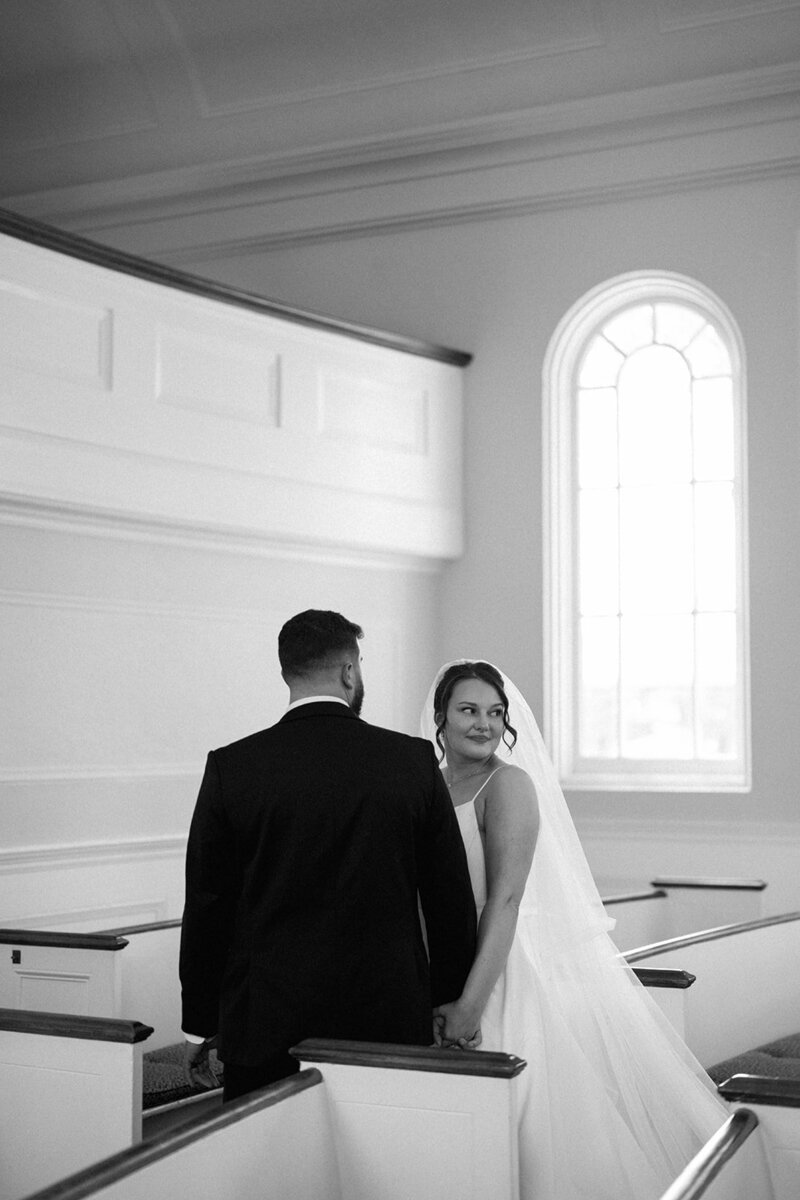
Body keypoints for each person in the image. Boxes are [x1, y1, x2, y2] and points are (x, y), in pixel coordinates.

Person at [421, 659, 729, 1200]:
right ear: (441, 718)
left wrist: (472, 1002)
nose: (483, 724)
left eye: (495, 713)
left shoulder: (508, 784)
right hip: (430, 969)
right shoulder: (427, 785)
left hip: (491, 974)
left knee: (515, 1129)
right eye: (468, 710)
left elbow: (506, 900)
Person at [179, 610, 477, 1102]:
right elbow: (449, 894)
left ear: (285, 673)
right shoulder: (411, 760)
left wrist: (200, 1023)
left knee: (272, 1170)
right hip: (386, 1020)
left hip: (267, 1023)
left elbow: (209, 903)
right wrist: (448, 997)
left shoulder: (233, 767)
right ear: (348, 671)